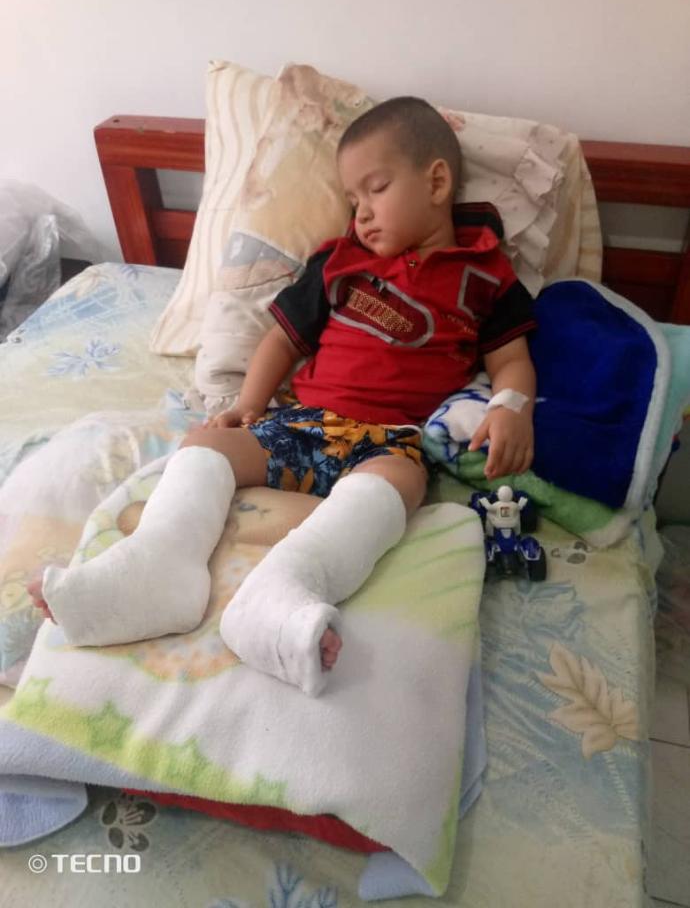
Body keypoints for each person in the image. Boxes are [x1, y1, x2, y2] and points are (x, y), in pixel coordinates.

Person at [30, 97, 537, 696]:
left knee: (401, 487)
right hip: (304, 421)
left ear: (436, 182)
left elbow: (511, 360)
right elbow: (280, 339)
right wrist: (249, 404)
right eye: (352, 201)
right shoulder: (339, 263)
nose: (362, 213)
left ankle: (283, 590)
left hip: (390, 439)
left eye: (375, 190)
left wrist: (510, 409)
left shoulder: (485, 275)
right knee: (205, 446)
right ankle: (160, 565)